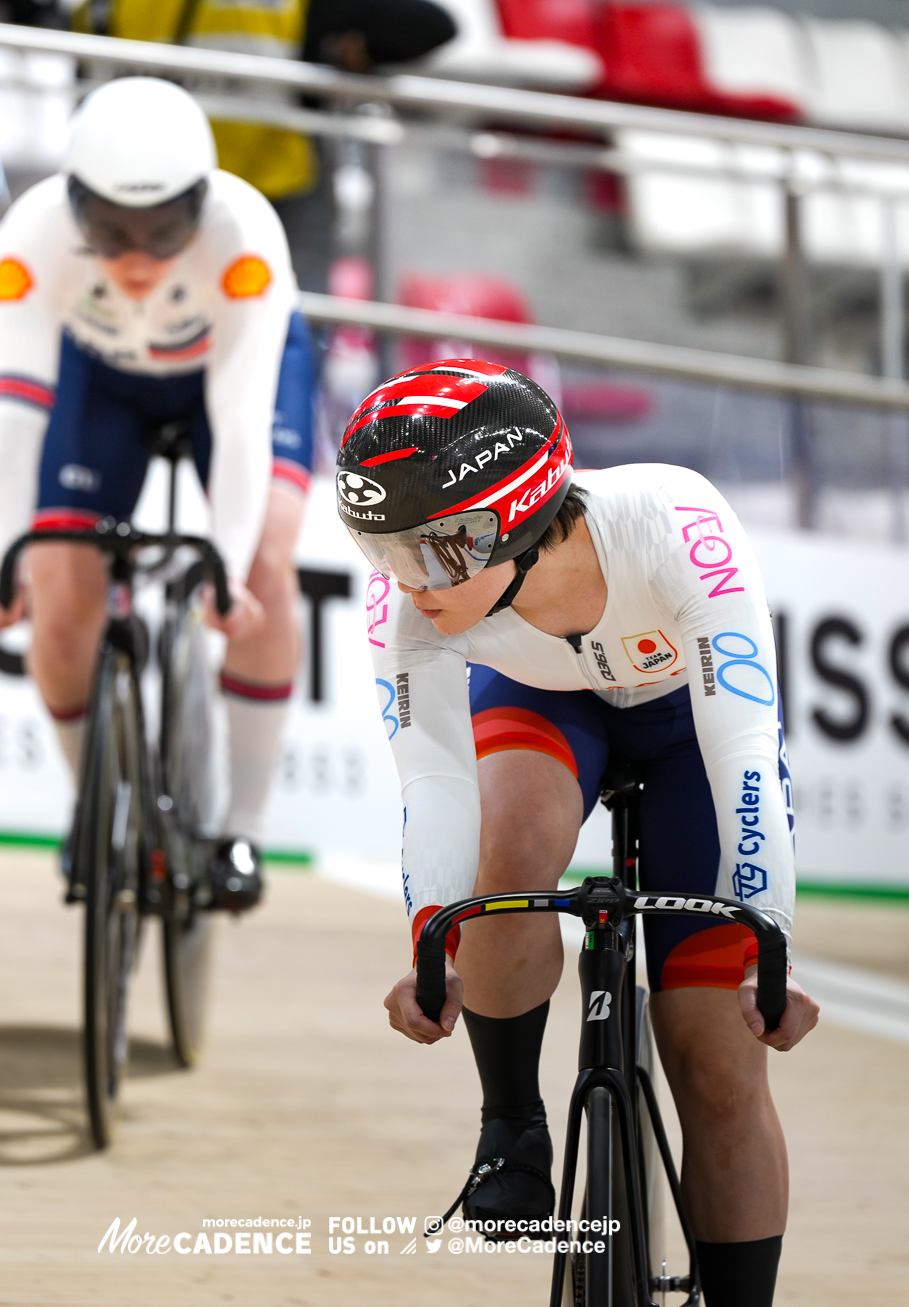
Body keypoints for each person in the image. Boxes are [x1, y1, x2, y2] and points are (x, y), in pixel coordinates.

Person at [349, 359, 818, 1307]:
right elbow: (437, 783)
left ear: (515, 521)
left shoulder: (678, 528)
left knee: (715, 1055)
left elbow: (745, 755)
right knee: (510, 854)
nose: (404, 582)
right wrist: (433, 943)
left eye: (430, 553)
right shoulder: (413, 600)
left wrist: (767, 944)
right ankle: (512, 1125)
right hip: (544, 705)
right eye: (381, 549)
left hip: (693, 727)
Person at [0, 78, 317, 912]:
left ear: (200, 204)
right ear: (73, 204)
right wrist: (1, 564)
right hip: (102, 383)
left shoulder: (246, 240)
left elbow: (239, 424)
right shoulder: (30, 236)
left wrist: (229, 573)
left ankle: (241, 825)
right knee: (57, 596)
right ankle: (93, 808)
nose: (135, 259)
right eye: (111, 232)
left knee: (268, 568)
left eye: (165, 230)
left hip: (226, 378)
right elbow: (16, 421)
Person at [69, 0, 455, 294]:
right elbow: (429, 27)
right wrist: (356, 52)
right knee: (282, 331)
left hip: (149, 194)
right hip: (257, 193)